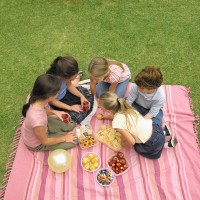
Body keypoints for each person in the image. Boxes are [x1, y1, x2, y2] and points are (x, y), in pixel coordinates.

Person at [98, 91, 178, 159]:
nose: (100, 108)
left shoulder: (116, 123)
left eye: (100, 107)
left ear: (108, 109)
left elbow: (131, 142)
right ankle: (164, 133)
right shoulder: (127, 107)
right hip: (156, 128)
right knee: (150, 133)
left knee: (139, 148)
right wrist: (109, 117)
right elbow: (121, 117)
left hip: (152, 143)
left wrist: (122, 143)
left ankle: (166, 145)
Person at [21, 74, 78, 152]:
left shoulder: (35, 97)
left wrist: (55, 112)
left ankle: (58, 132)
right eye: (57, 93)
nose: (58, 94)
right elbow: (45, 141)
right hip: (38, 143)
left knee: (71, 124)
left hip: (44, 126)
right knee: (75, 140)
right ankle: (60, 134)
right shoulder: (37, 121)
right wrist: (64, 138)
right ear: (50, 97)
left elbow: (41, 112)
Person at [46, 56, 97, 124]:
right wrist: (70, 108)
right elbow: (52, 101)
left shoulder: (63, 76)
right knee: (74, 116)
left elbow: (69, 86)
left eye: (74, 79)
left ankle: (78, 81)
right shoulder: (52, 84)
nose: (72, 80)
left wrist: (81, 96)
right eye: (71, 79)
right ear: (63, 76)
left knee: (87, 98)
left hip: (67, 93)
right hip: (59, 102)